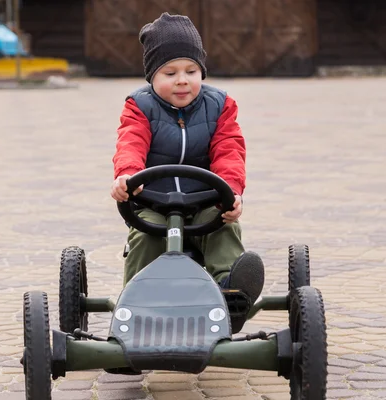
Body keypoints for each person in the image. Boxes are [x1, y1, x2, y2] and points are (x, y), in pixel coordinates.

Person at [110, 12, 264, 330]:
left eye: (191, 71)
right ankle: (132, 312)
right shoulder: (139, 106)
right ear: (152, 76)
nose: (182, 80)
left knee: (223, 228)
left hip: (205, 200)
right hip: (155, 202)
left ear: (201, 72)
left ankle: (230, 295)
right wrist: (126, 174)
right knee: (146, 236)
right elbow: (131, 143)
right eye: (170, 72)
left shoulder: (220, 105)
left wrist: (232, 191)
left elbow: (229, 150)